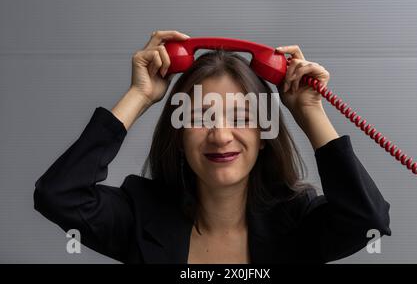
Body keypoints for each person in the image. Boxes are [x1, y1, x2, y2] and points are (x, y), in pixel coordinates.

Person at [33, 30, 391, 264]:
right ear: (179, 135)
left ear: (264, 135)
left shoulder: (296, 221)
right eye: (201, 117)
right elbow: (58, 195)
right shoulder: (140, 215)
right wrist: (139, 96)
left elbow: (368, 220)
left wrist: (310, 111)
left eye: (240, 117)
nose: (220, 135)